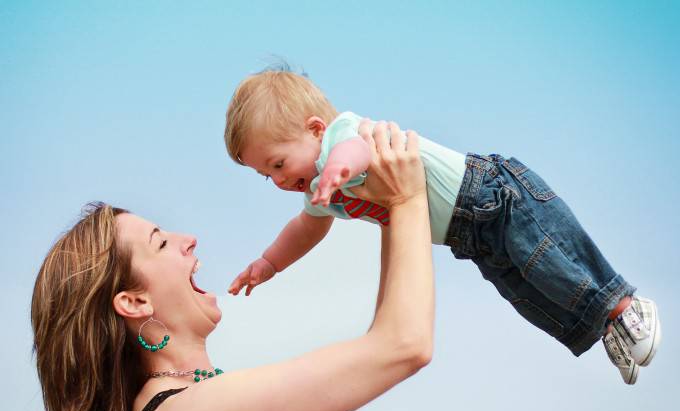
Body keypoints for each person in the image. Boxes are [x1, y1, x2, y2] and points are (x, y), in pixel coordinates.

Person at [31, 123, 432, 411]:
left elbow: (391, 342)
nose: (188, 238)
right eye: (162, 242)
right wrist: (407, 199)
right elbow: (402, 346)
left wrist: (389, 212)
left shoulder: (193, 405)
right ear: (135, 302)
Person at [224, 67, 661, 385]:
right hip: (466, 234)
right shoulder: (317, 193)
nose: (280, 180)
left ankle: (623, 307)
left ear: (315, 130)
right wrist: (269, 263)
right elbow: (305, 228)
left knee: (550, 259)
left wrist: (337, 170)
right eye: (268, 175)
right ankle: (604, 328)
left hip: (490, 194)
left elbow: (358, 150)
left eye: (279, 164)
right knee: (528, 293)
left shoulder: (339, 139)